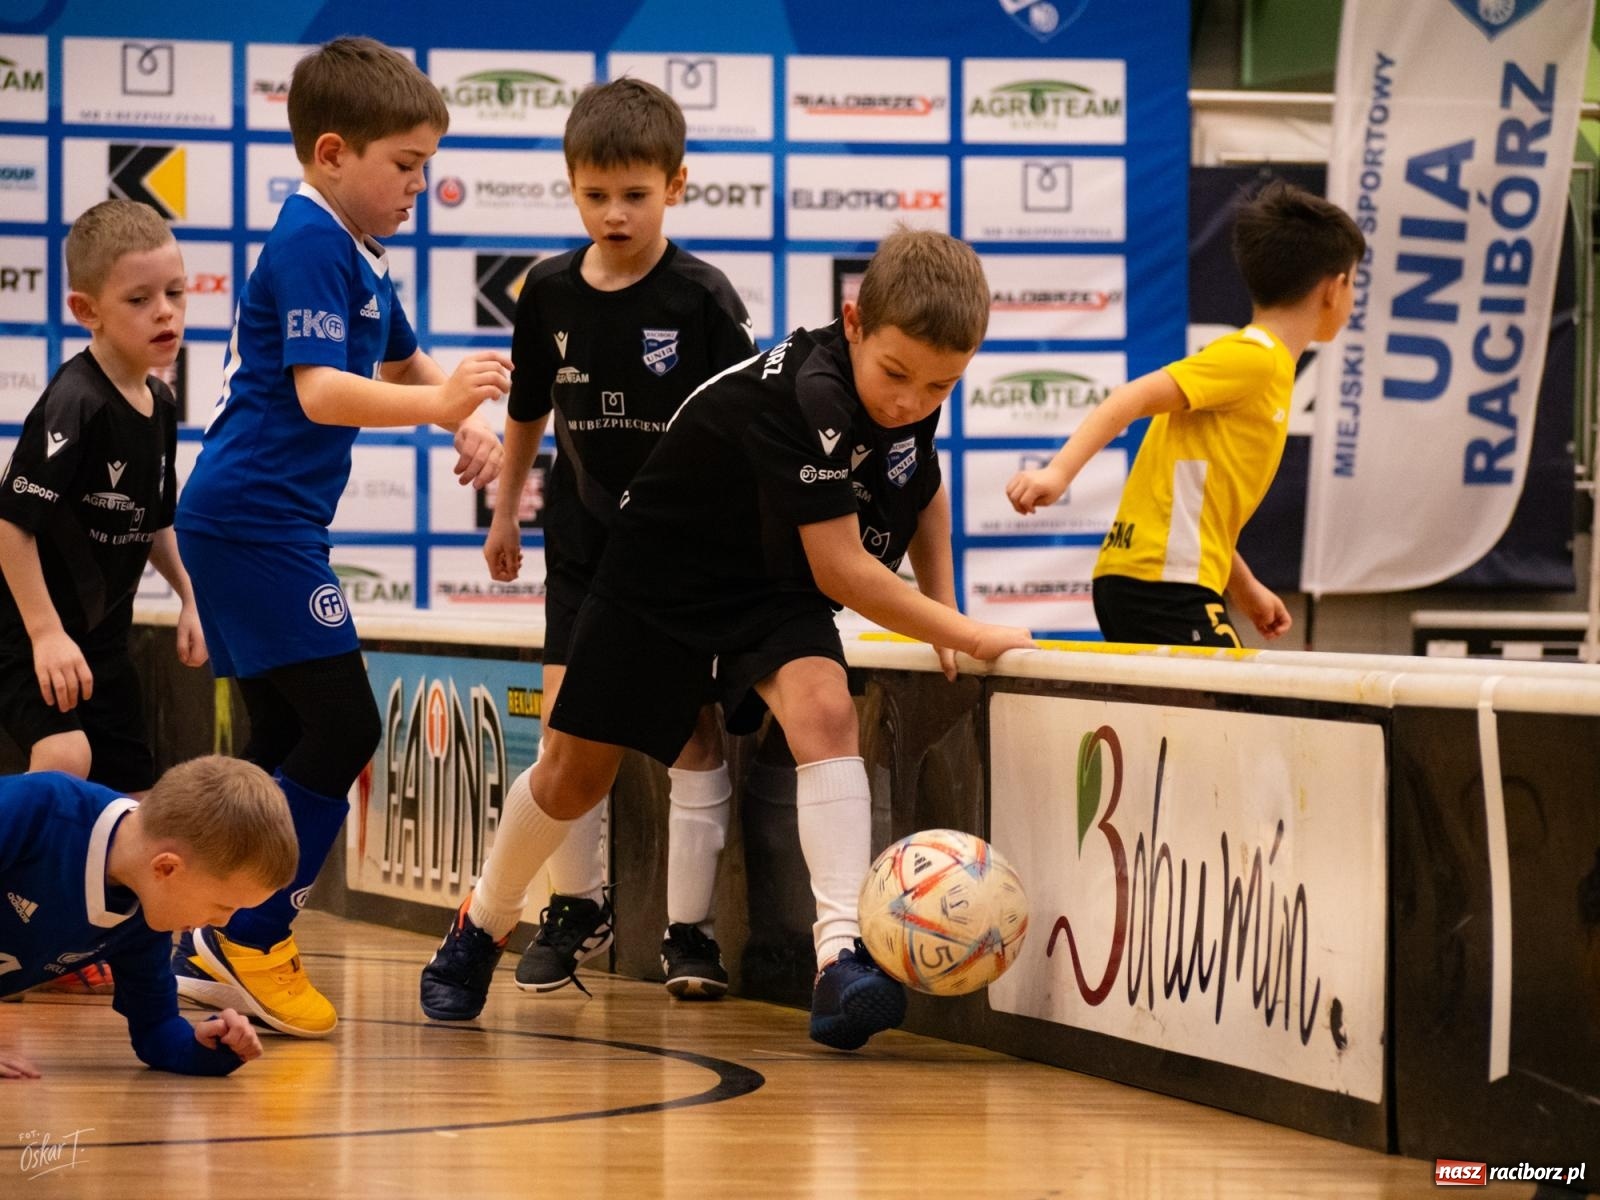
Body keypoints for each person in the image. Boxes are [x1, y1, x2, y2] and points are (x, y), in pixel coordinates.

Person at [422, 228, 1035, 1052]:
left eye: (940, 387)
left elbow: (919, 484)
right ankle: (483, 922)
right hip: (658, 571)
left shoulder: (908, 394)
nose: (910, 403)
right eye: (896, 376)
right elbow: (845, 571)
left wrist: (944, 608)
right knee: (573, 777)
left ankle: (839, 960)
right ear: (853, 322)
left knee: (824, 711)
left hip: (767, 584)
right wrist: (972, 629)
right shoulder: (811, 392)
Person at [169, 36, 510, 1039]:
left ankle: (208, 931)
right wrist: (444, 402)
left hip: (252, 521)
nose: (418, 186)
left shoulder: (352, 248)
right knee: (344, 726)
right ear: (330, 154)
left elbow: (405, 362)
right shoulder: (310, 242)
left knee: (279, 739)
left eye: (424, 166)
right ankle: (255, 932)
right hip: (253, 520)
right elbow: (321, 396)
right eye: (404, 166)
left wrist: (468, 421)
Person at [483, 78, 757, 1000]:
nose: (614, 213)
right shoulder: (548, 289)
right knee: (570, 726)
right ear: (570, 186)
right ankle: (577, 905)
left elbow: (745, 431)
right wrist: (504, 507)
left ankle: (690, 936)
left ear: (675, 186)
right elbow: (527, 408)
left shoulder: (703, 299)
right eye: (594, 194)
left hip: (680, 555)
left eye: (634, 194)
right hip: (579, 542)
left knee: (690, 736)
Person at [1006, 180, 1364, 647]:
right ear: (1334, 290)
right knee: (1236, 717)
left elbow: (1200, 508)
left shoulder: (1258, 365)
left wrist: (1245, 586)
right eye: (1355, 281)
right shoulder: (1256, 359)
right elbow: (1130, 398)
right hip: (1162, 587)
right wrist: (1057, 473)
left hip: (1150, 581)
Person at [0, 199, 206, 795]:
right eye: (139, 300)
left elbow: (154, 521)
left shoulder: (161, 404)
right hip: (27, 635)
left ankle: (95, 893)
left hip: (104, 646)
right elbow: (12, 522)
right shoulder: (77, 400)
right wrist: (45, 634)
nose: (165, 313)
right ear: (86, 310)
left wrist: (192, 597)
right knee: (65, 757)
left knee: (135, 800)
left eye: (176, 292)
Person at [0, 756, 298, 1079]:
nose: (222, 923)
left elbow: (157, 1031)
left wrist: (211, 1046)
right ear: (167, 868)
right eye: (223, 906)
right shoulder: (37, 810)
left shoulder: (147, 909)